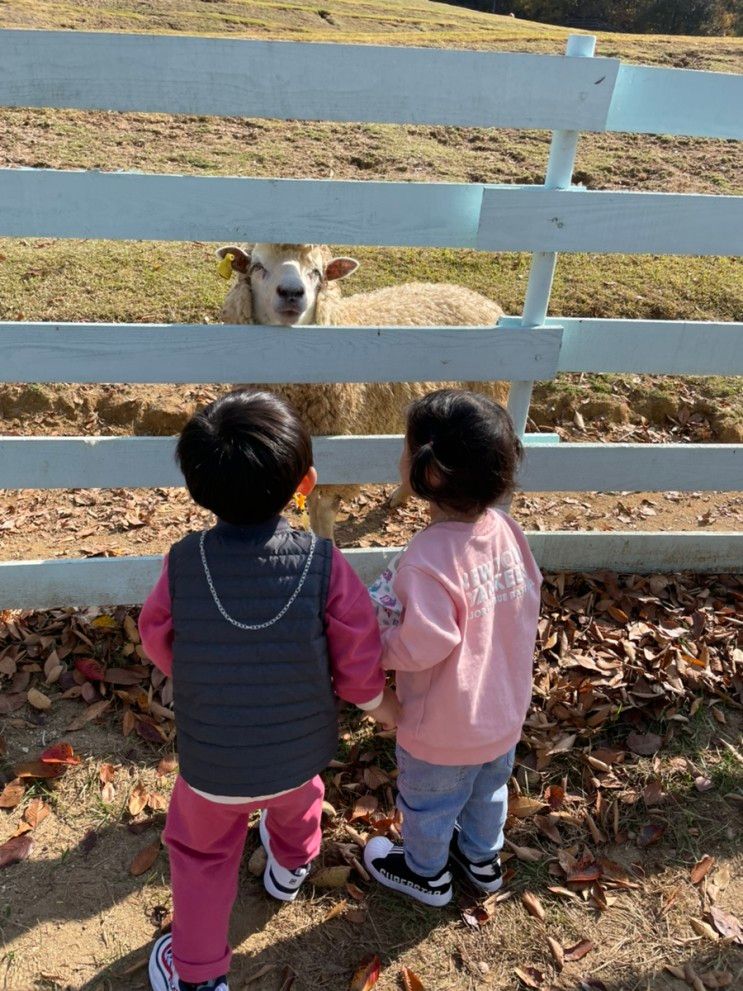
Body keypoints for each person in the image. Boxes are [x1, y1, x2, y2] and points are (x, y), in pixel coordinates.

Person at [139, 390, 398, 991]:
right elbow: (359, 658)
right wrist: (378, 705)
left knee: (202, 855)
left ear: (196, 488)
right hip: (298, 750)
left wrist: (198, 665)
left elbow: (158, 638)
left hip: (212, 764)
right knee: (299, 799)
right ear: (305, 482)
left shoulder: (182, 562)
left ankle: (199, 975)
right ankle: (291, 865)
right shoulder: (325, 564)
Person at [364, 389, 542, 907]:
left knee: (430, 805)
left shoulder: (426, 559)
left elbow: (427, 642)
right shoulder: (506, 529)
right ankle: (481, 859)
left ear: (430, 472)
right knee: (488, 790)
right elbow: (527, 592)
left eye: (406, 446)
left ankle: (425, 872)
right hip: (503, 713)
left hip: (443, 725)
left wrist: (380, 650)